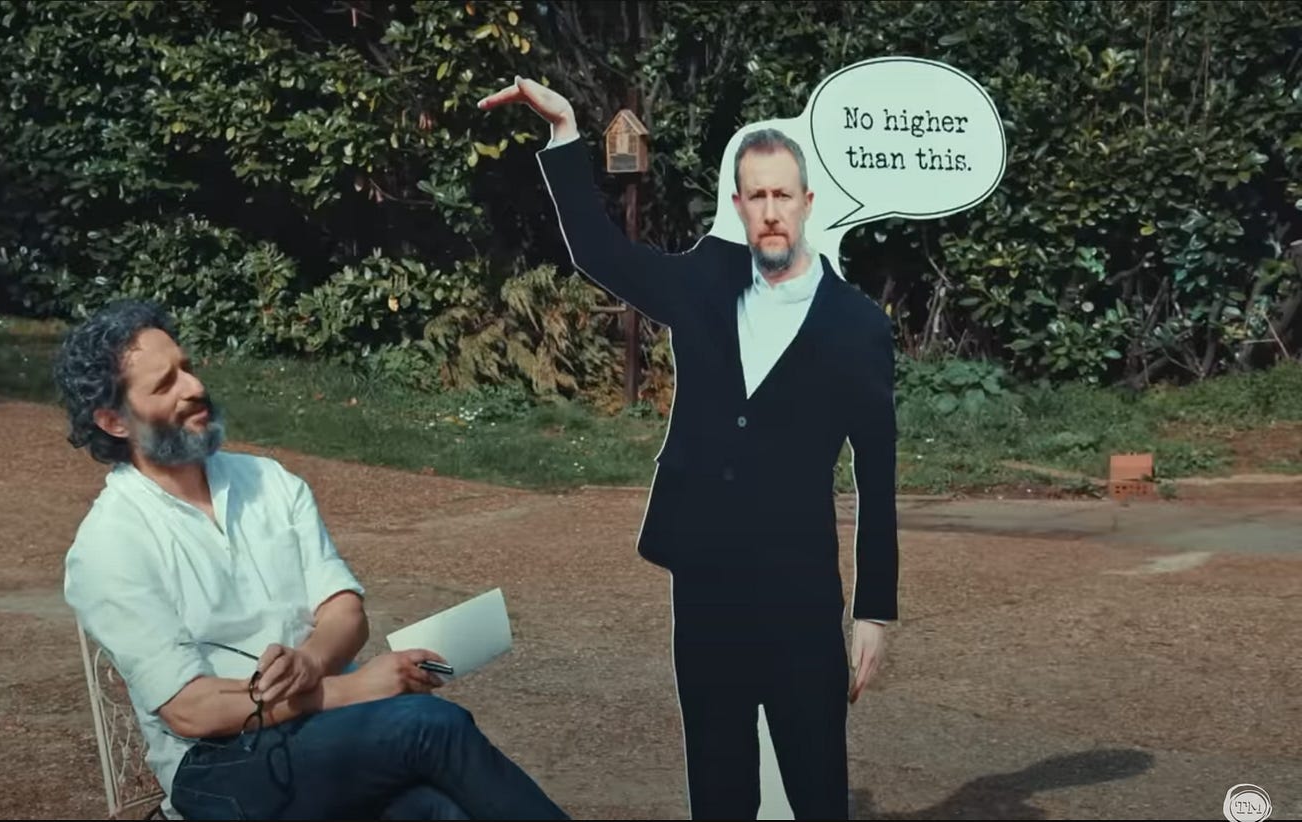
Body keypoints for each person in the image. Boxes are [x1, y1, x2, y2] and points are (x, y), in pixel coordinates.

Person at [478, 78, 899, 820]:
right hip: (705, 579)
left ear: (807, 203)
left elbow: (877, 472)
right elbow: (600, 252)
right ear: (738, 206)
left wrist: (874, 611)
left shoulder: (857, 325)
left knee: (815, 783)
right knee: (719, 777)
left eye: (783, 195)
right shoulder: (704, 279)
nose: (770, 211)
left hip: (800, 590)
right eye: (755, 195)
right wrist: (567, 135)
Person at [55, 299, 568, 821]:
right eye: (165, 385)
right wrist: (350, 688)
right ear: (113, 421)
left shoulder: (270, 482)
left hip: (325, 735)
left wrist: (311, 662)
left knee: (434, 810)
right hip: (218, 766)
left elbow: (344, 611)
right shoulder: (109, 543)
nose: (193, 388)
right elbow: (192, 711)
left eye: (187, 368)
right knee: (428, 725)